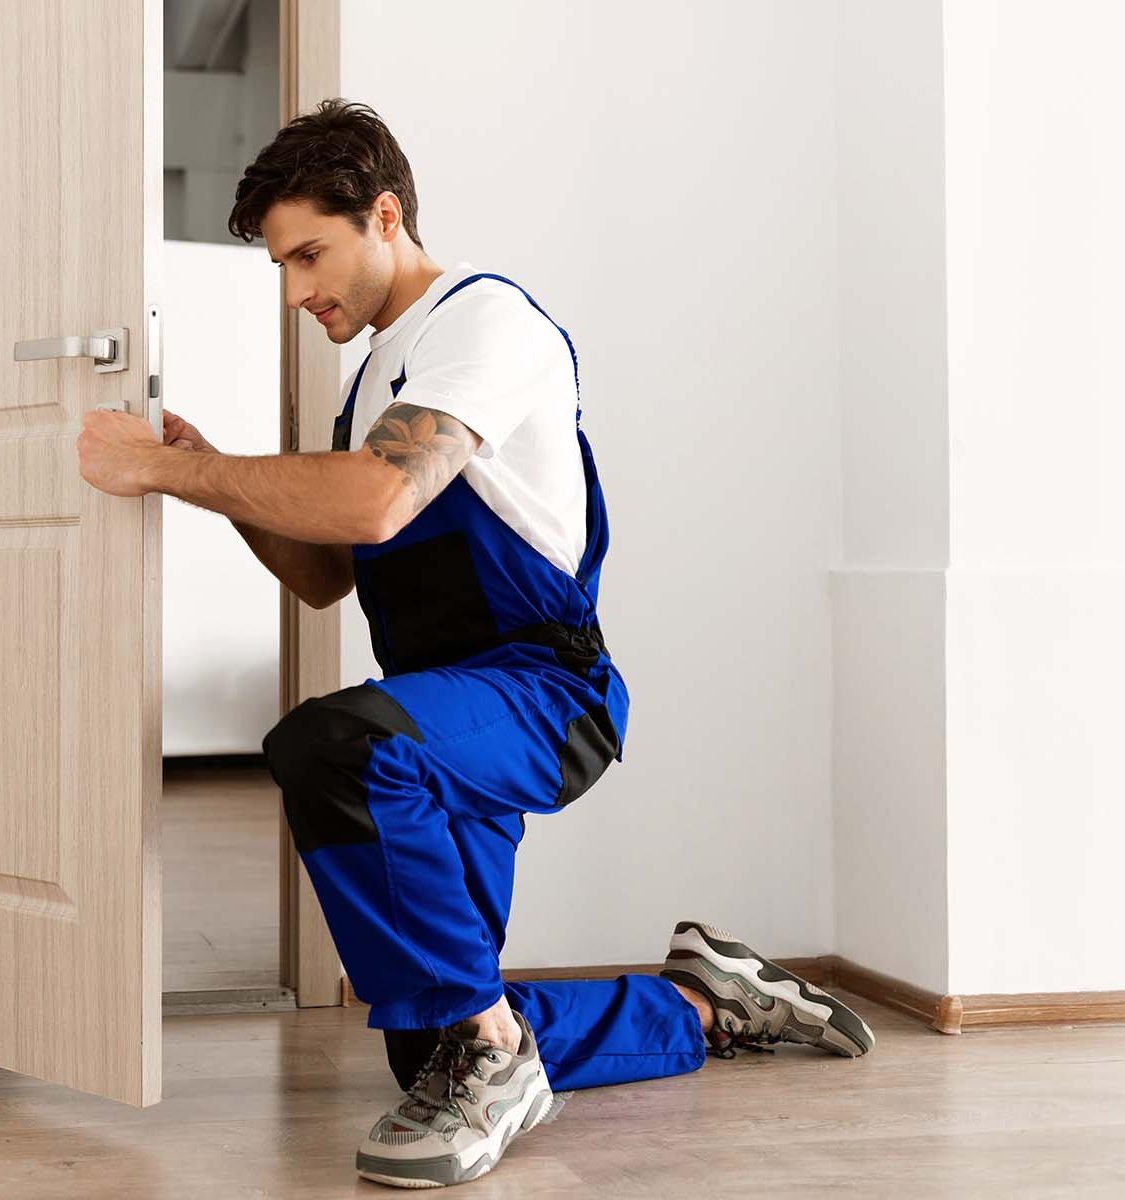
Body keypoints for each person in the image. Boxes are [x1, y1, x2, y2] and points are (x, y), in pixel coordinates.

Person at [75, 98, 874, 1190]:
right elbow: (320, 576)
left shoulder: (481, 324)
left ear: (387, 216)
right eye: (281, 265)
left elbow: (372, 504)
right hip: (443, 713)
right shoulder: (374, 380)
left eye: (310, 253)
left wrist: (167, 470)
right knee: (431, 1034)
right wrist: (212, 469)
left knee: (330, 745)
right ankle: (704, 1002)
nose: (299, 290)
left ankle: (497, 1054)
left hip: (544, 694)